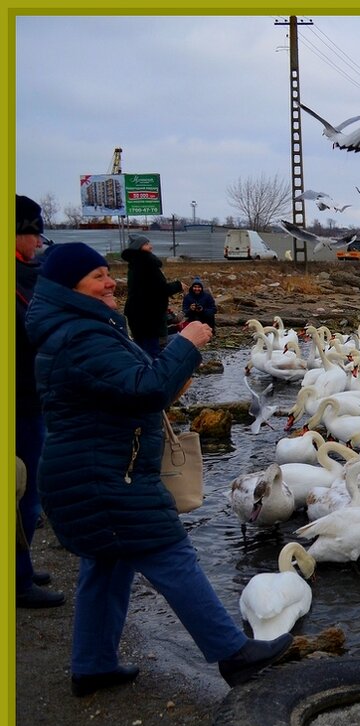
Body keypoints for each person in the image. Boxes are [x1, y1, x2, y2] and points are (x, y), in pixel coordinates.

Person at [24, 242, 291, 696]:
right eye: (96, 277)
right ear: (69, 287)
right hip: (106, 477)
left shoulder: (77, 327)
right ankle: (234, 654)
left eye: (107, 272)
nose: (110, 281)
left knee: (106, 566)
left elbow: (135, 386)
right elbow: (146, 388)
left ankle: (93, 666)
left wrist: (173, 362)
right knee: (171, 554)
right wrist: (186, 344)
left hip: (91, 471)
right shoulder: (81, 336)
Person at [14, 194, 63, 608]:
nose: (37, 246)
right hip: (21, 403)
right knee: (24, 491)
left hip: (31, 398)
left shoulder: (24, 277)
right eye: (33, 237)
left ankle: (21, 564)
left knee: (30, 488)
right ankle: (17, 578)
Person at [122, 233, 181, 357]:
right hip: (149, 316)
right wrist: (178, 285)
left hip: (137, 316)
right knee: (152, 351)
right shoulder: (148, 264)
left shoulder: (134, 264)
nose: (151, 246)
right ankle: (152, 373)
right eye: (147, 244)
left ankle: (141, 371)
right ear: (139, 247)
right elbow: (161, 289)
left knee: (141, 349)